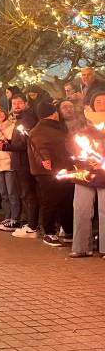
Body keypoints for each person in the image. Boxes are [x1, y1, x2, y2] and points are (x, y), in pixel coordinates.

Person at [28, 102, 74, 246]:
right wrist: (45, 160)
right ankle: (49, 232)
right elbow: (40, 148)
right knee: (51, 201)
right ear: (54, 113)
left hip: (63, 169)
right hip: (47, 172)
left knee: (65, 200)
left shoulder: (57, 127)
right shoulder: (39, 130)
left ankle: (68, 231)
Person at [69, 93, 105, 257]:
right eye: (98, 101)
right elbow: (71, 143)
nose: (102, 104)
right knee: (81, 209)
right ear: (92, 104)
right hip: (85, 172)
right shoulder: (81, 122)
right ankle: (81, 247)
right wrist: (83, 157)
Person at [0, 94, 40, 238]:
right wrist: (9, 142)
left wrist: (6, 147)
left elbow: (25, 144)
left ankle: (32, 226)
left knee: (28, 194)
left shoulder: (27, 119)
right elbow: (19, 141)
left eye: (19, 103)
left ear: (26, 103)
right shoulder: (21, 119)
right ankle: (29, 223)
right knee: (25, 194)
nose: (16, 106)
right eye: (14, 103)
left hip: (25, 162)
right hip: (20, 162)